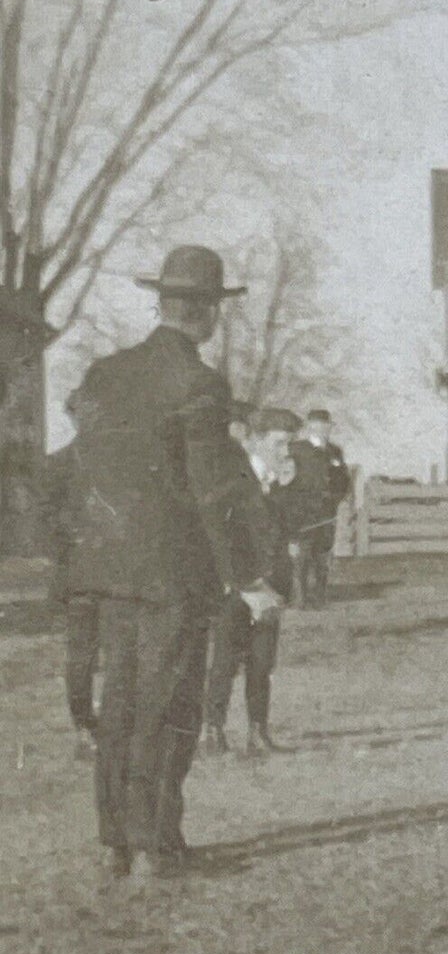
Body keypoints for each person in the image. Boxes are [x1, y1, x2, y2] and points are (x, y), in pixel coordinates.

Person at [67, 246, 279, 883]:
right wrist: (249, 579)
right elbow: (215, 491)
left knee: (122, 701)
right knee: (169, 703)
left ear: (160, 303)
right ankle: (159, 845)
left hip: (108, 565)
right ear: (210, 314)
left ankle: (115, 843)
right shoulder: (201, 383)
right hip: (173, 573)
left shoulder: (104, 375)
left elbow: (85, 447)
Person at [204, 408, 300, 756]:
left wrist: (276, 590)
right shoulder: (234, 478)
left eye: (289, 444)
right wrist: (246, 587)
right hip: (239, 588)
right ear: (256, 441)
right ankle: (213, 731)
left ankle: (258, 733)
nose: (285, 451)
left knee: (262, 662)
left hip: (269, 590)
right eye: (278, 443)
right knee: (225, 661)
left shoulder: (275, 485)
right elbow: (221, 532)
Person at [37, 394, 101, 761]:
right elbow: (44, 518)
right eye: (85, 415)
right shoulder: (59, 463)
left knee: (125, 654)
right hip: (79, 577)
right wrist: (74, 537)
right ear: (73, 418)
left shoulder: (120, 465)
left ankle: (116, 726)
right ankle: (83, 728)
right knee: (81, 656)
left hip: (120, 576)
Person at [284, 408, 351, 609]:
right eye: (317, 425)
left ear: (330, 427)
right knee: (302, 555)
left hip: (326, 512)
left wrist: (336, 499)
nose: (322, 429)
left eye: (326, 425)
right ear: (309, 427)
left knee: (323, 555)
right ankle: (301, 599)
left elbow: (343, 480)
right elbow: (287, 480)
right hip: (302, 512)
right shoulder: (296, 449)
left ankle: (320, 598)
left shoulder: (335, 452)